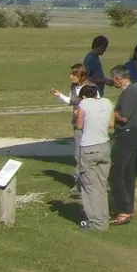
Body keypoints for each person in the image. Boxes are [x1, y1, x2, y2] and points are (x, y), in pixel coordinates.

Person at [73, 83, 112, 230]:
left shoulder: (84, 104)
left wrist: (78, 115)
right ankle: (103, 218)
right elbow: (111, 123)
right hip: (104, 146)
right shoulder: (107, 102)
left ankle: (96, 223)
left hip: (89, 148)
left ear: (83, 96)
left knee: (89, 186)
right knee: (101, 185)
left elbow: (79, 125)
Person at [108, 65, 137, 225]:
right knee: (128, 174)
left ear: (118, 78)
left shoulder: (129, 94)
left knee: (115, 174)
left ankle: (124, 209)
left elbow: (123, 118)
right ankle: (128, 207)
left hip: (127, 135)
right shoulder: (131, 92)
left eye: (113, 79)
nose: (112, 81)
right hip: (131, 134)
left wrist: (109, 111)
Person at [54, 63, 89, 197]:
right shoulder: (74, 87)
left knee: (87, 154)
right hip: (77, 125)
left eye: (74, 74)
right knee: (78, 154)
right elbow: (71, 101)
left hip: (89, 125)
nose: (71, 77)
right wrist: (59, 95)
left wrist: (82, 112)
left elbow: (96, 104)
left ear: (82, 75)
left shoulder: (91, 87)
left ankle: (86, 183)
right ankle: (79, 184)